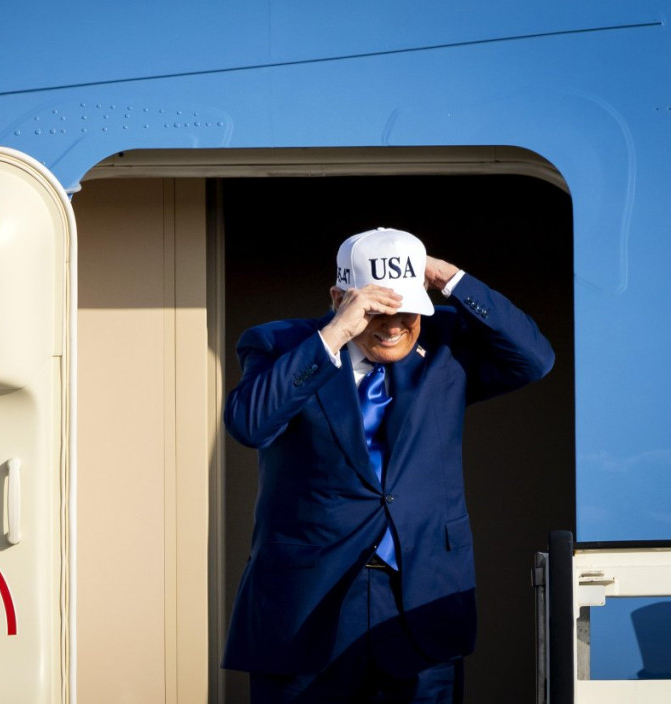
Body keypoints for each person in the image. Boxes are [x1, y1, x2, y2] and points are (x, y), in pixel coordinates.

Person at [221, 228, 555, 703]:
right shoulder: (280, 343)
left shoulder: (445, 343)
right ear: (339, 298)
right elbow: (249, 425)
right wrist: (335, 334)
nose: (394, 325)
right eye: (377, 310)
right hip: (309, 603)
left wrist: (447, 277)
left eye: (407, 310)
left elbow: (535, 359)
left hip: (421, 596)